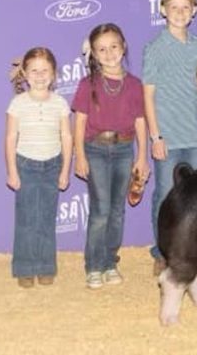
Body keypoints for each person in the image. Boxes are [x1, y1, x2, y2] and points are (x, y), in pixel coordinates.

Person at [72, 23, 149, 289]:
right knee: (101, 210)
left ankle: (109, 262)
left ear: (123, 46)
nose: (108, 53)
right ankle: (93, 266)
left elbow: (141, 122)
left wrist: (142, 158)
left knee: (117, 211)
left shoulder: (134, 85)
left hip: (125, 150)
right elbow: (79, 123)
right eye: (101, 49)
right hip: (94, 149)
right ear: (92, 53)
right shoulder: (87, 84)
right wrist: (79, 156)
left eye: (113, 46)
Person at [144, 0, 197, 276]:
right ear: (162, 10)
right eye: (173, 7)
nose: (180, 12)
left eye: (185, 7)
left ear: (193, 11)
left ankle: (186, 248)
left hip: (192, 135)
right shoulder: (155, 48)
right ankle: (162, 251)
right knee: (166, 194)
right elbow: (148, 95)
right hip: (167, 136)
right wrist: (156, 136)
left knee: (191, 196)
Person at [5, 47, 72, 288]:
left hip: (52, 166)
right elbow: (11, 138)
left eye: (45, 70)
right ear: (24, 73)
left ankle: (45, 266)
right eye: (34, 70)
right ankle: (24, 267)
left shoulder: (60, 104)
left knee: (45, 217)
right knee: (26, 219)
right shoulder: (17, 104)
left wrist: (65, 169)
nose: (40, 75)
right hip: (25, 165)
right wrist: (12, 170)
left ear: (54, 74)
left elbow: (66, 136)